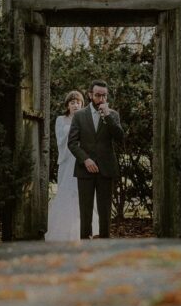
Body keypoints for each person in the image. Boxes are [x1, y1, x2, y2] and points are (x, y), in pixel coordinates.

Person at [68, 80, 124, 240]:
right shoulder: (79, 115)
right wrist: (85, 159)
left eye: (104, 95)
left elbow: (120, 137)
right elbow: (72, 143)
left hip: (106, 169)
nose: (102, 99)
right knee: (85, 211)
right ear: (90, 95)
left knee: (105, 210)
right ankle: (85, 244)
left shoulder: (113, 115)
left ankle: (105, 245)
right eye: (98, 95)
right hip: (85, 169)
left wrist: (108, 116)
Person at [45, 91, 98, 241]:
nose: (76, 105)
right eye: (72, 102)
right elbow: (61, 140)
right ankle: (62, 232)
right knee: (66, 193)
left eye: (78, 102)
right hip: (67, 162)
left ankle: (84, 230)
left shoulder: (85, 119)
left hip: (81, 161)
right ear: (67, 105)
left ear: (82, 104)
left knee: (83, 194)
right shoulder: (61, 120)